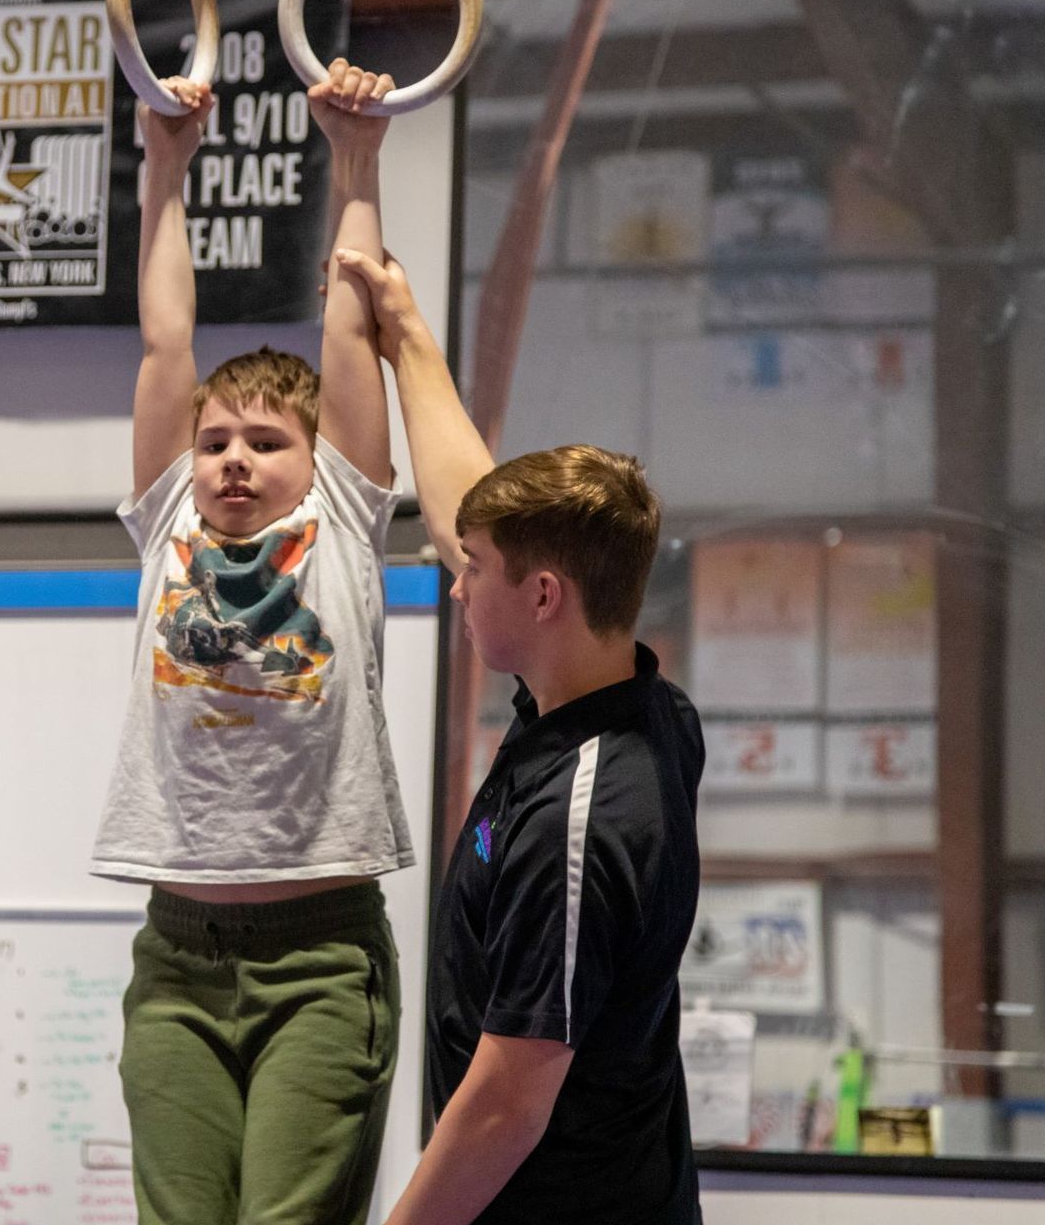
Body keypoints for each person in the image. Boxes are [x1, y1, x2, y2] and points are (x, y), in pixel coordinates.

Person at [92, 61, 412, 1225]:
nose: (231, 458)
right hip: (177, 951)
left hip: (321, 954)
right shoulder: (168, 512)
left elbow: (352, 327)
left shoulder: (344, 514)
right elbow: (164, 344)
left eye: (263, 441)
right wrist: (163, 165)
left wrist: (356, 154)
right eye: (216, 439)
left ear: (313, 457)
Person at [335, 245, 705, 1225]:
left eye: (475, 571)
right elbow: (476, 513)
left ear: (544, 594)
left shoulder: (578, 819)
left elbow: (508, 1099)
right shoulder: (636, 699)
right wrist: (407, 335)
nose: (455, 581)